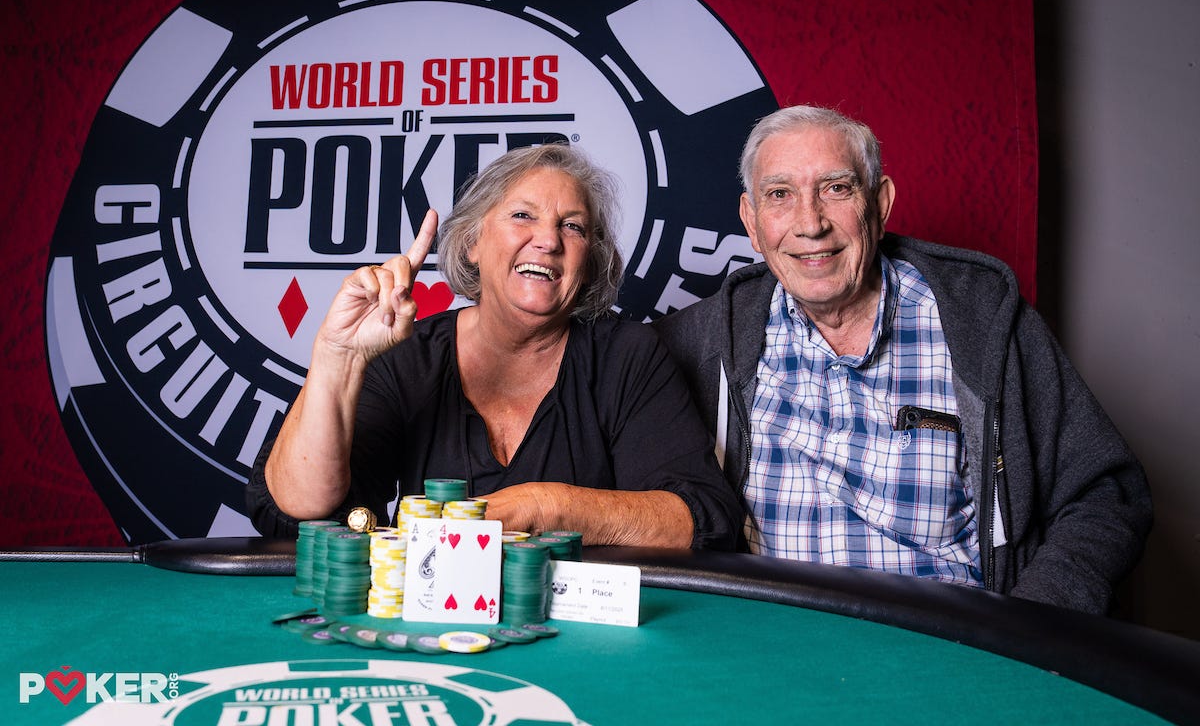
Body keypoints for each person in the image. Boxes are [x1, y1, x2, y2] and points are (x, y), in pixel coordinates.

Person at [653, 105, 1152, 614]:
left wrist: (1029, 624)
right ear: (752, 221)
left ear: (880, 203)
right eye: (780, 195)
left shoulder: (982, 324)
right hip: (770, 641)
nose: (810, 223)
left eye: (836, 189)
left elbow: (1106, 494)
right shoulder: (702, 341)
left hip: (946, 643)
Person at [247, 143, 739, 550]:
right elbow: (298, 511)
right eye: (522, 215)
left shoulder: (627, 355)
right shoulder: (407, 354)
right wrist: (339, 356)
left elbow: (700, 519)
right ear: (472, 244)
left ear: (589, 262)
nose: (548, 241)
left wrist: (545, 508)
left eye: (572, 226)